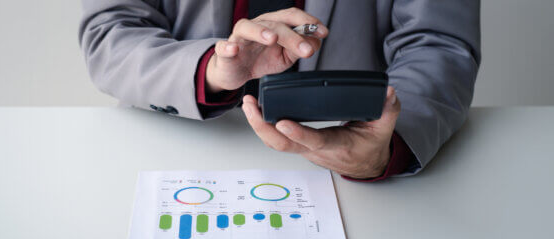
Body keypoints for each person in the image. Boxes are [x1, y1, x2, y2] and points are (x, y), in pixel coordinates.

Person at [78, 0, 480, 181]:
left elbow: (438, 42)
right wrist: (210, 68)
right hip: (175, 146)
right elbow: (111, 31)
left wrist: (388, 145)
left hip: (346, 170)